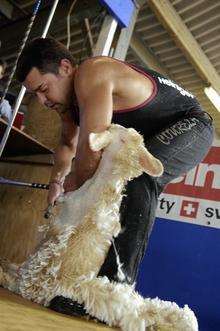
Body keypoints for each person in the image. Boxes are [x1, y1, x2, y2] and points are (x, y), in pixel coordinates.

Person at [15, 37, 214, 318]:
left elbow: (88, 150)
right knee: (117, 190)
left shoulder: (92, 73)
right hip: (155, 133)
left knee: (138, 177)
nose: (42, 101)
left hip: (191, 124)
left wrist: (72, 196)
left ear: (64, 67)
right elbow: (66, 147)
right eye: (35, 94)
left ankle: (115, 290)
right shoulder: (69, 105)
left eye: (44, 89)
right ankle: (91, 284)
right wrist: (57, 183)